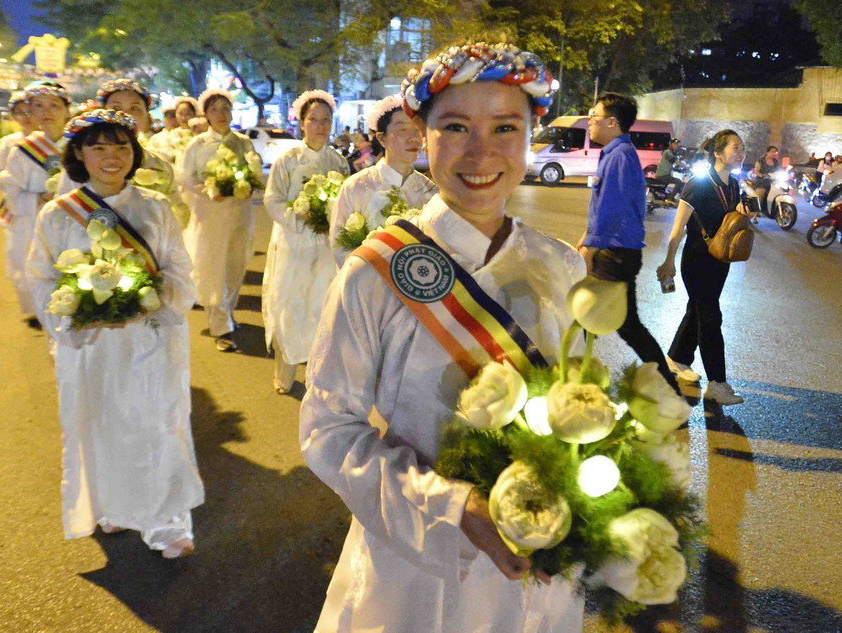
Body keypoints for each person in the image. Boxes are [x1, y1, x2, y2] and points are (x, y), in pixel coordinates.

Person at [301, 39, 586, 632]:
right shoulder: (373, 272)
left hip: (540, 547)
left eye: (505, 127)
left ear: (532, 134)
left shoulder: (559, 266)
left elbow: (576, 406)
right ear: (422, 134)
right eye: (455, 126)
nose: (481, 151)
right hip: (414, 555)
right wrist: (454, 509)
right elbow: (328, 428)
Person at [25, 109, 205, 558]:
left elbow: (180, 269)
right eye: (98, 146)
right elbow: (42, 279)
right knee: (102, 426)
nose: (112, 156)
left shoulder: (154, 206)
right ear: (79, 154)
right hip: (93, 345)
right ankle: (113, 504)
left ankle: (167, 523)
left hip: (150, 336)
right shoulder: (57, 214)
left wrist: (148, 297)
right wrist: (80, 311)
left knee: (160, 425)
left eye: (122, 146)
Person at [575, 93, 682, 396]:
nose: (590, 122)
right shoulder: (614, 152)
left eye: (594, 117)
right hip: (615, 250)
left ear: (612, 121)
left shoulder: (620, 155)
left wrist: (590, 247)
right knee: (597, 319)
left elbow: (612, 207)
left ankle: (575, 384)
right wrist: (587, 237)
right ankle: (575, 380)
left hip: (615, 253)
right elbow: (603, 206)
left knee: (603, 321)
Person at [262, 89, 349, 394]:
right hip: (294, 244)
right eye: (314, 119)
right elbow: (272, 199)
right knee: (291, 305)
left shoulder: (338, 163)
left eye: (326, 120)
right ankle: (284, 374)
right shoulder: (287, 160)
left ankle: (316, 375)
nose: (321, 125)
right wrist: (299, 217)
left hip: (325, 247)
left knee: (321, 308)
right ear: (301, 123)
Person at [656, 130, 749, 405]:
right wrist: (668, 261)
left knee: (697, 310)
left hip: (721, 259)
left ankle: (677, 359)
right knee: (710, 317)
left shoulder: (733, 184)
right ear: (718, 154)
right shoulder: (697, 184)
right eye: (735, 148)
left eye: (743, 148)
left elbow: (734, 218)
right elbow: (678, 227)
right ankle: (717, 383)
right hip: (697, 260)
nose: (741, 153)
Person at [176, 88, 261, 352]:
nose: (220, 114)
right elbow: (183, 175)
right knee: (212, 271)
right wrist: (207, 190)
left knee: (236, 266)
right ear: (206, 114)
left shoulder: (244, 142)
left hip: (239, 214)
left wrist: (249, 187)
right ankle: (221, 327)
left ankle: (228, 312)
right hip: (210, 216)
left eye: (225, 108)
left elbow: (256, 173)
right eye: (214, 109)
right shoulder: (198, 144)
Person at [328, 95, 437, 267]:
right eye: (402, 130)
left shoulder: (431, 191)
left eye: (416, 129)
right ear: (382, 138)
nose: (413, 138)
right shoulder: (357, 186)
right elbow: (340, 245)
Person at [0, 81, 70, 327]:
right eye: (38, 106)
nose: (46, 111)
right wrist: (39, 198)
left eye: (54, 105)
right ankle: (38, 310)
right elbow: (11, 190)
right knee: (35, 267)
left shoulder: (80, 145)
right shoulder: (22, 150)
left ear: (67, 110)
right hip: (34, 221)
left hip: (73, 220)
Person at [0, 91, 35, 188]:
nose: (26, 116)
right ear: (14, 116)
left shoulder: (53, 139)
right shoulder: (7, 143)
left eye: (31, 111)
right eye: (20, 112)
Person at [147, 96, 199, 163]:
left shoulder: (198, 133)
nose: (184, 118)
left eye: (188, 114)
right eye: (180, 114)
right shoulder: (164, 137)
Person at [752, 145, 780, 218]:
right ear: (768, 152)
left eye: (775, 152)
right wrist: (762, 175)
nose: (774, 153)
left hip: (773, 182)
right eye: (772, 151)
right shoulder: (761, 161)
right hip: (762, 181)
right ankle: (755, 214)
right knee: (760, 196)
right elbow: (756, 171)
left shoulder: (776, 162)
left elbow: (779, 170)